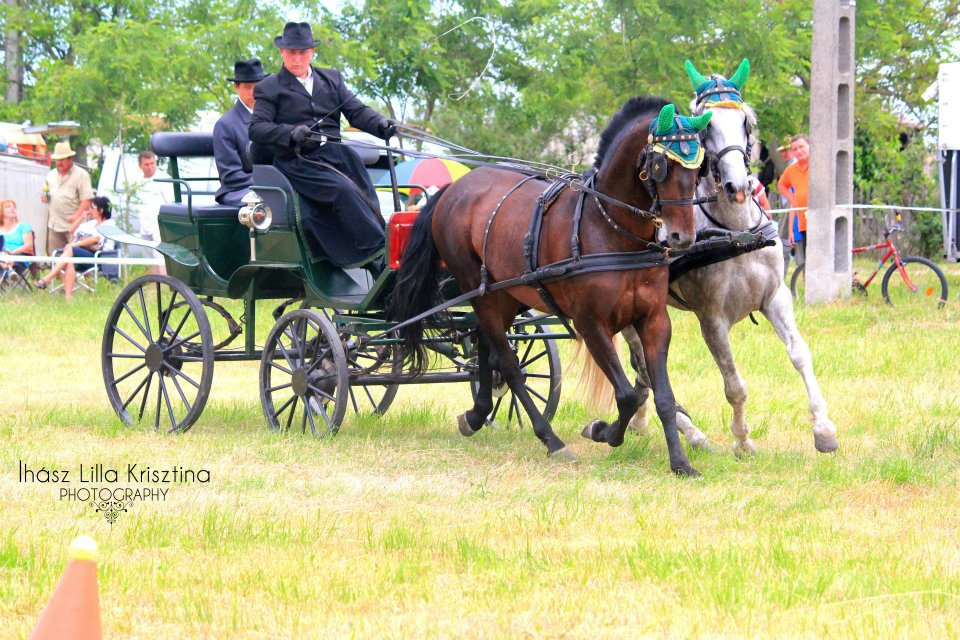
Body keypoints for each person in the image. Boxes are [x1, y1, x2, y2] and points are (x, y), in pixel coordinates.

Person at [249, 21, 396, 271]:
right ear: (282, 53)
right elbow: (256, 128)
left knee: (365, 191)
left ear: (312, 52)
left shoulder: (332, 78)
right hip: (298, 160)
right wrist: (290, 132)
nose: (297, 59)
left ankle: (384, 245)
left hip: (335, 154)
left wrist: (381, 124)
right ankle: (376, 255)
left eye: (302, 52)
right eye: (292, 53)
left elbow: (356, 111)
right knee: (342, 191)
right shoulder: (269, 87)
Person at [34, 196, 115, 300]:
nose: (90, 210)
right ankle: (68, 298)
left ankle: (48, 278)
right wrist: (81, 218)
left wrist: (77, 244)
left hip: (98, 257)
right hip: (84, 254)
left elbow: (96, 239)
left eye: (92, 207)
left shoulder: (108, 224)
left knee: (70, 249)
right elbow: (72, 230)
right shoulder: (91, 224)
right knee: (69, 261)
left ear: (101, 210)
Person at [214, 59, 267, 206]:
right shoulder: (225, 125)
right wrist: (270, 181)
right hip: (238, 190)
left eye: (257, 87)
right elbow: (231, 176)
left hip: (272, 185)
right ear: (236, 87)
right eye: (247, 87)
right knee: (270, 199)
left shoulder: (273, 118)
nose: (253, 93)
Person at [42, 141, 94, 253]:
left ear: (70, 159)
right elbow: (47, 193)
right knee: (56, 258)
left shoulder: (81, 175)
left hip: (75, 227)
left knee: (75, 259)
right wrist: (45, 198)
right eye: (57, 160)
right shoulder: (50, 175)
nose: (59, 163)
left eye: (62, 160)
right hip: (55, 225)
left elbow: (87, 199)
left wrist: (77, 216)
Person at [128, 150, 171, 275]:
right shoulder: (137, 182)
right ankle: (152, 286)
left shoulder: (163, 179)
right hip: (144, 224)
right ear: (140, 165)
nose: (151, 167)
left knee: (160, 256)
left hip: (158, 224)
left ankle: (164, 284)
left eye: (152, 163)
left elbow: (171, 203)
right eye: (147, 164)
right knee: (148, 257)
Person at [777, 134, 810, 267]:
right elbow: (781, 185)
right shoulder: (792, 169)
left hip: (821, 221)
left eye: (801, 147)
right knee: (807, 260)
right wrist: (794, 199)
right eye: (795, 148)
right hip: (803, 222)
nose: (799, 151)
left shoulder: (819, 166)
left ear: (810, 147)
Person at [0, 199, 35, 275]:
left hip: (18, 258)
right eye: (8, 207)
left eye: (14, 207)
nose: (12, 208)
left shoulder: (24, 226)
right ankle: (8, 269)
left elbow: (29, 246)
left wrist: (12, 252)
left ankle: (6, 266)